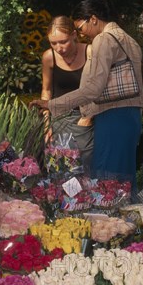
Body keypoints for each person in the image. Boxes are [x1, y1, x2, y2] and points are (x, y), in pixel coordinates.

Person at [31, 0, 143, 190]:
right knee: (124, 180)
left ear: (93, 19)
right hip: (131, 116)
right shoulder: (128, 39)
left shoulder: (104, 39)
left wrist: (51, 105)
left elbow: (93, 89)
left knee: (107, 183)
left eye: (81, 28)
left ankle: (111, 220)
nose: (83, 34)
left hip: (112, 116)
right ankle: (131, 219)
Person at [40, 16, 94, 172]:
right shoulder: (49, 57)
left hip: (84, 121)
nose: (59, 48)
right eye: (53, 43)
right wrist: (46, 124)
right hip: (59, 121)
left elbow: (99, 87)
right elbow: (46, 91)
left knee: (85, 171)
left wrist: (88, 117)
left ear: (74, 35)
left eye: (63, 42)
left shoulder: (89, 52)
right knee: (59, 171)